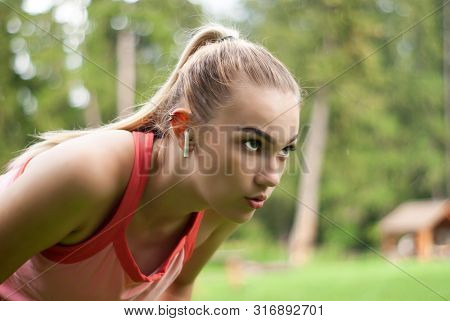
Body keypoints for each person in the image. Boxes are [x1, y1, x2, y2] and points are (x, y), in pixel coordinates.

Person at [0, 23, 301, 300]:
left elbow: (177, 289)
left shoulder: (222, 205)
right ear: (184, 129)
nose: (272, 176)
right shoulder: (88, 173)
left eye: (285, 150)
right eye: (252, 144)